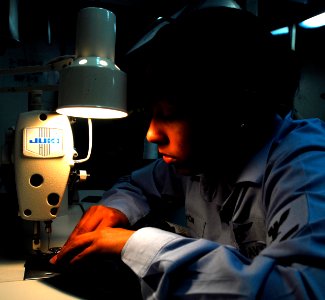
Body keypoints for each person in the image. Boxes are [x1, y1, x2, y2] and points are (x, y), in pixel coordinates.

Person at [50, 0, 325, 298]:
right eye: (150, 114)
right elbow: (136, 186)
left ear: (233, 112)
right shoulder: (207, 157)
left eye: (169, 115)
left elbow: (304, 289)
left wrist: (135, 244)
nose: (152, 134)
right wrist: (115, 208)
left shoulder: (305, 166)